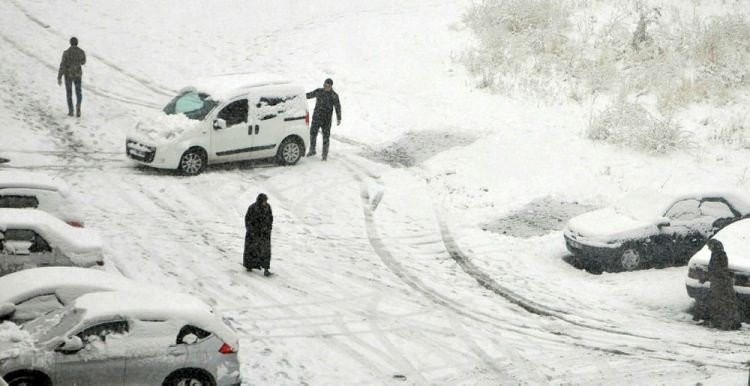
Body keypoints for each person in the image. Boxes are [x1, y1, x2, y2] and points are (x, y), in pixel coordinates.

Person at [704, 239, 741, 330]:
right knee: (724, 303)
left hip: (720, 283)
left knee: (722, 303)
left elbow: (717, 269)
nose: (708, 248)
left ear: (713, 246)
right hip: (721, 282)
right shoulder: (718, 254)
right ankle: (727, 322)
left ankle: (726, 323)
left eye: (709, 246)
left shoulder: (719, 255)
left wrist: (709, 277)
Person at [306, 78, 341, 161]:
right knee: (313, 134)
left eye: (328, 86)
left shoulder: (334, 95)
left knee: (326, 137)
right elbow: (308, 95)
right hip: (317, 117)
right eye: (325, 85)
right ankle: (312, 150)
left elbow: (337, 107)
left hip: (326, 120)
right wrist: (299, 96)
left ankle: (324, 155)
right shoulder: (319, 91)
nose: (326, 87)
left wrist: (339, 118)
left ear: (331, 86)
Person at [243, 193, 274, 276]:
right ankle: (249, 265)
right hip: (253, 234)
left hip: (264, 234)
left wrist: (269, 228)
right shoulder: (252, 208)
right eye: (264, 201)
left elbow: (270, 218)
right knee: (251, 250)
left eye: (266, 201)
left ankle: (266, 269)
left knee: (265, 251)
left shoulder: (268, 207)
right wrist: (251, 230)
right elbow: (247, 219)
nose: (265, 203)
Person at [57, 37, 86, 117]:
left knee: (69, 93)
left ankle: (71, 110)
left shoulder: (66, 53)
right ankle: (78, 105)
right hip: (77, 74)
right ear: (77, 43)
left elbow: (62, 65)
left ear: (70, 43)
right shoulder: (81, 52)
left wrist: (59, 77)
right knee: (78, 92)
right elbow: (83, 62)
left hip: (68, 75)